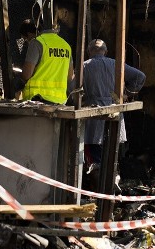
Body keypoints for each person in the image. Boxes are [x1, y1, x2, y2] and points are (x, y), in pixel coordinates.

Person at [82, 39, 146, 167]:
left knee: (95, 160)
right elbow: (140, 76)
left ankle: (96, 182)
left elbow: (72, 88)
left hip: (93, 116)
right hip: (114, 111)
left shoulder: (84, 66)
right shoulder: (116, 64)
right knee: (112, 158)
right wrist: (128, 93)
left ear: (89, 51)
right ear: (105, 51)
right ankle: (111, 181)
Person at [20, 20, 74, 105]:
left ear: (30, 34)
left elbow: (26, 75)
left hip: (37, 100)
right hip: (60, 102)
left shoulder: (37, 42)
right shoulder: (66, 45)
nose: (27, 42)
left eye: (26, 39)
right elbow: (70, 77)